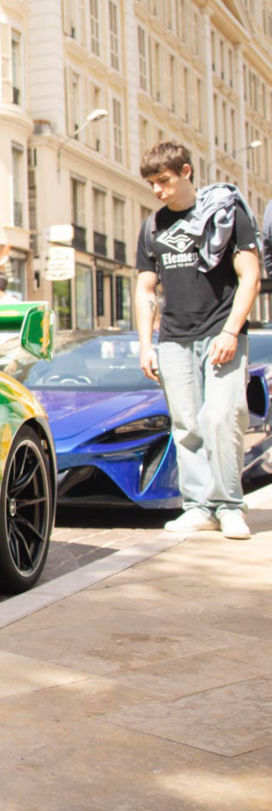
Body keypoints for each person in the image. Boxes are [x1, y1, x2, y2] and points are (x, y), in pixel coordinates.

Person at [135, 141, 262, 538]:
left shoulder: (227, 214)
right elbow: (144, 289)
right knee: (186, 425)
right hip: (174, 338)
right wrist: (145, 344)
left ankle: (229, 506)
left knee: (223, 418)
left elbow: (250, 275)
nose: (158, 190)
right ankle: (198, 507)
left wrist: (231, 331)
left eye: (165, 181)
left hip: (220, 332)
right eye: (152, 183)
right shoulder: (153, 226)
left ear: (186, 172)